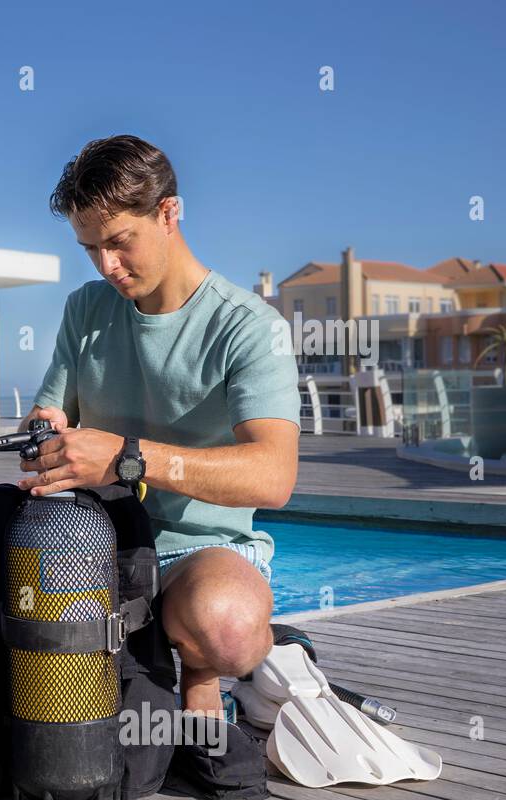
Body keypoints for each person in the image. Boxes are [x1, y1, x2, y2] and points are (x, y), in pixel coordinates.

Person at [19, 134, 300, 734]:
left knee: (224, 631)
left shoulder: (248, 328)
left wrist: (127, 459)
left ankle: (205, 668)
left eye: (119, 242)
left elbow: (274, 477)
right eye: (90, 248)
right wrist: (43, 433)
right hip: (89, 545)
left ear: (169, 212)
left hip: (198, 551)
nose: (106, 267)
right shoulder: (85, 310)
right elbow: (47, 418)